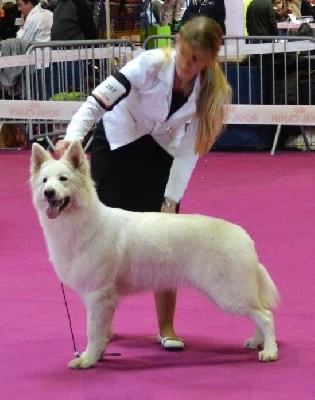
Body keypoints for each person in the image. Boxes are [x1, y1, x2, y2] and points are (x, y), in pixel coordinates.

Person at [55, 16, 231, 351]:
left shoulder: (209, 90)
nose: (187, 63)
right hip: (117, 144)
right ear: (176, 41)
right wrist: (71, 137)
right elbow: (96, 102)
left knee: (167, 242)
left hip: (159, 155)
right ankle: (101, 328)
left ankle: (166, 328)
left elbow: (187, 153)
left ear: (209, 60)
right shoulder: (148, 64)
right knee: (100, 244)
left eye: (196, 60)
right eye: (184, 53)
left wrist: (171, 197)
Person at [50, 0, 97, 94]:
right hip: (58, 55)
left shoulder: (79, 3)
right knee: (59, 91)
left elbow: (90, 29)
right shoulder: (60, 4)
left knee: (74, 91)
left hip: (73, 56)